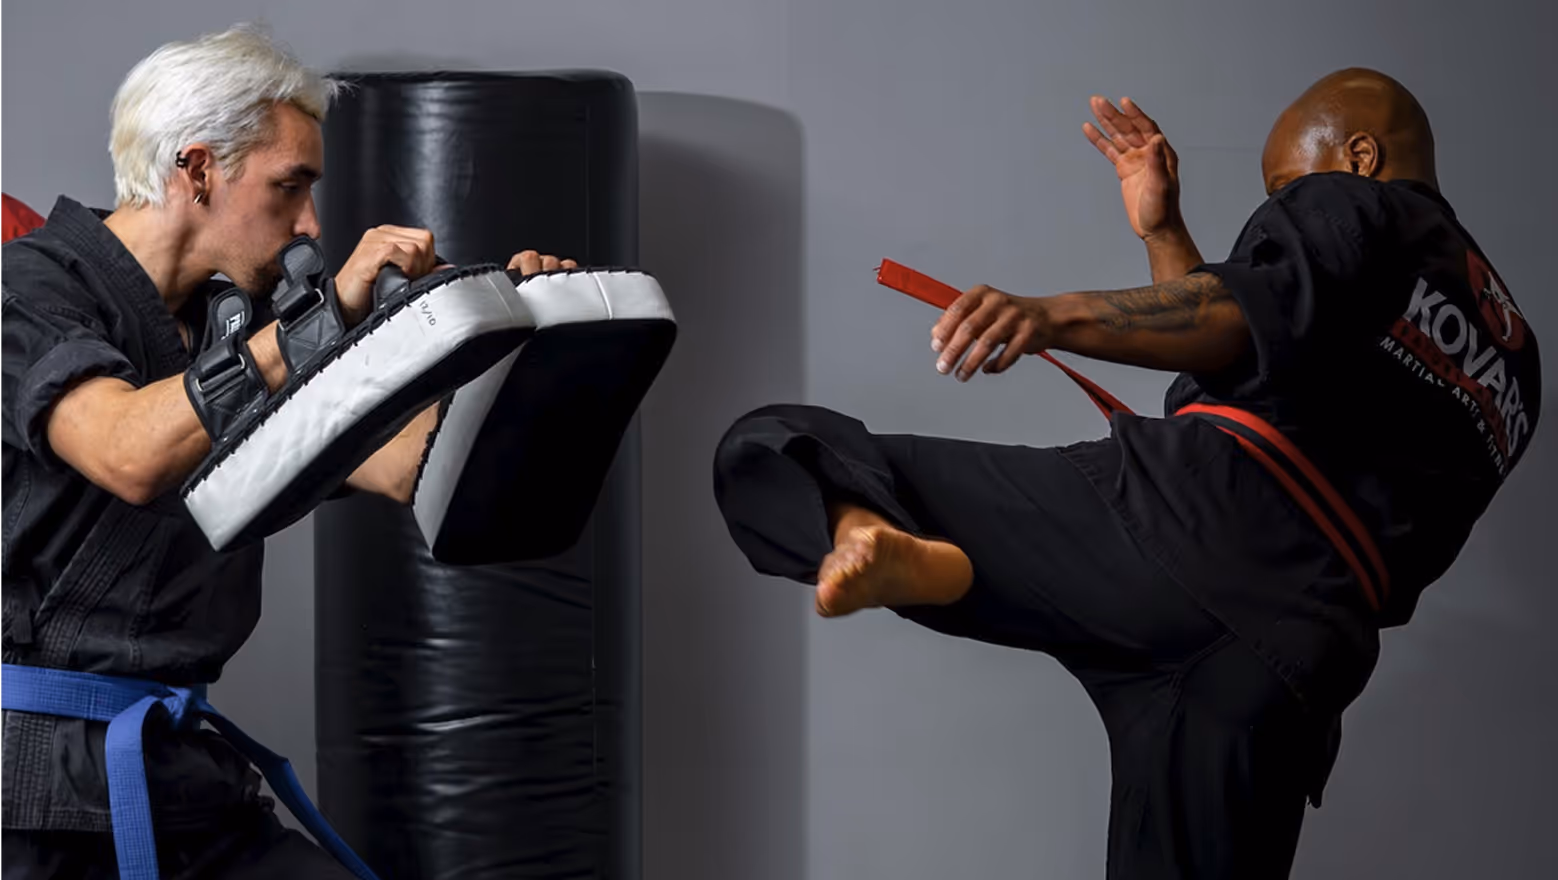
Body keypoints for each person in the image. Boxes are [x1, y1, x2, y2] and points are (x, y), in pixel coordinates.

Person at [712, 68, 1541, 879]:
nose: (1288, 207)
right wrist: (1163, 233)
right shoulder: (1518, 371)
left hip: (1185, 525)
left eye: (1289, 188)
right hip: (1290, 662)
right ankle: (907, 543)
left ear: (1359, 157)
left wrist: (1051, 315)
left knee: (771, 445)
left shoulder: (1366, 206)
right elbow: (1244, 358)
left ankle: (883, 531)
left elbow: (1233, 325)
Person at [0, 25, 573, 878]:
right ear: (196, 170)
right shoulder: (29, 289)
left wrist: (504, 339)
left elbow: (408, 462)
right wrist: (321, 327)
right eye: (289, 186)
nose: (309, 223)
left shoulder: (224, 325)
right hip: (36, 805)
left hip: (181, 780)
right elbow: (127, 451)